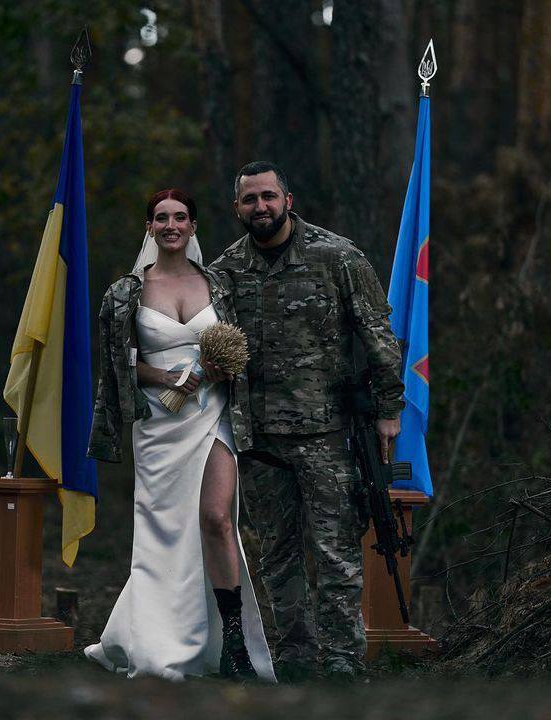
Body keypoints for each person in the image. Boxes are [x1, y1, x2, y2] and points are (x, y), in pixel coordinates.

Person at [207, 161, 406, 679]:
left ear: (287, 200)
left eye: (269, 196)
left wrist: (389, 409)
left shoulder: (336, 256)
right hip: (259, 440)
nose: (261, 207)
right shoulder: (226, 270)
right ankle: (295, 657)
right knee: (277, 556)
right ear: (237, 208)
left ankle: (341, 661)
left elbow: (378, 335)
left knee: (335, 552)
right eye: (250, 200)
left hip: (327, 434)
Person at [85, 189, 276, 682]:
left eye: (180, 217)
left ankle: (234, 645)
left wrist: (220, 369)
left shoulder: (219, 285)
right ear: (149, 227)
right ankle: (156, 640)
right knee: (164, 533)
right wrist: (164, 377)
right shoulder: (125, 293)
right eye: (161, 218)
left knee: (217, 519)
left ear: (193, 226)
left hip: (213, 415)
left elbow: (242, 346)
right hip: (159, 424)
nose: (171, 225)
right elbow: (117, 364)